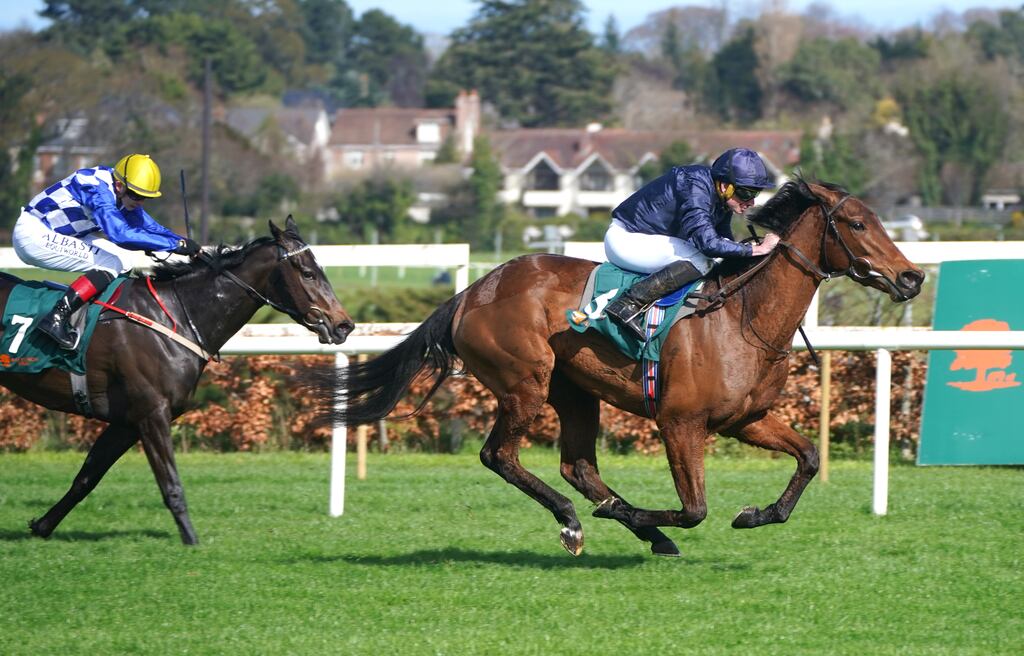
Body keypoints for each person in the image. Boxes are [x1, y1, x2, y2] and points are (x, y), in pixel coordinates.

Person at [13, 154, 201, 350]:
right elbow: (120, 234)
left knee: (125, 260)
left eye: (145, 197)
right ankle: (56, 317)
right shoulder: (97, 190)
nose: (140, 202)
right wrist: (173, 245)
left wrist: (181, 241)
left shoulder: (121, 190)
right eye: (137, 196)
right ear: (119, 186)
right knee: (112, 263)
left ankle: (94, 312)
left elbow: (148, 226)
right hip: (34, 234)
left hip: (59, 233)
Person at [602, 147, 782, 339]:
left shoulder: (720, 197)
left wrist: (749, 253)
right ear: (724, 186)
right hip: (626, 240)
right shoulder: (696, 188)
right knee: (700, 260)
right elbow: (708, 244)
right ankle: (629, 303)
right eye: (746, 193)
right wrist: (757, 249)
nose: (751, 202)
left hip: (648, 240)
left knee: (714, 261)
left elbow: (724, 241)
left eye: (756, 193)